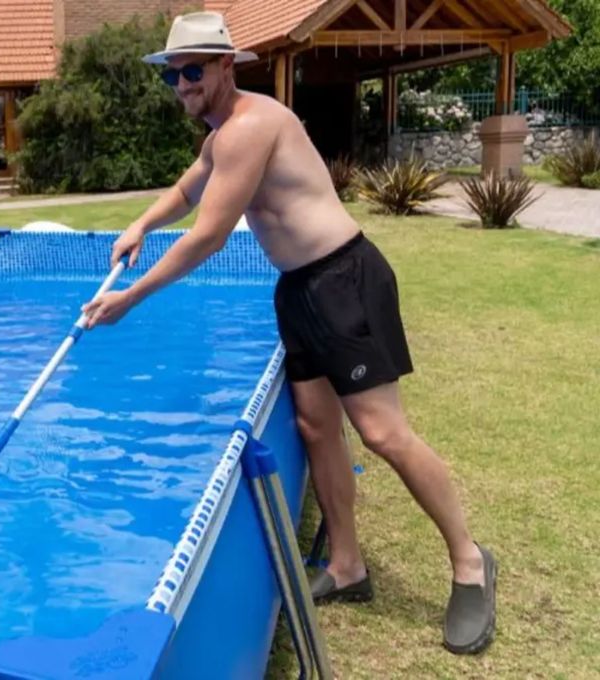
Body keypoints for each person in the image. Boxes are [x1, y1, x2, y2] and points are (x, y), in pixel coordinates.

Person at [80, 12, 497, 655]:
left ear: (226, 65)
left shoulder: (251, 125)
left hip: (344, 278)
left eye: (193, 70)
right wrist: (140, 224)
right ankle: (348, 565)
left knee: (383, 432)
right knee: (316, 427)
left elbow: (209, 234)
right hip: (299, 289)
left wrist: (131, 298)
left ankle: (470, 562)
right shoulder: (220, 135)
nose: (182, 84)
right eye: (172, 75)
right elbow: (187, 191)